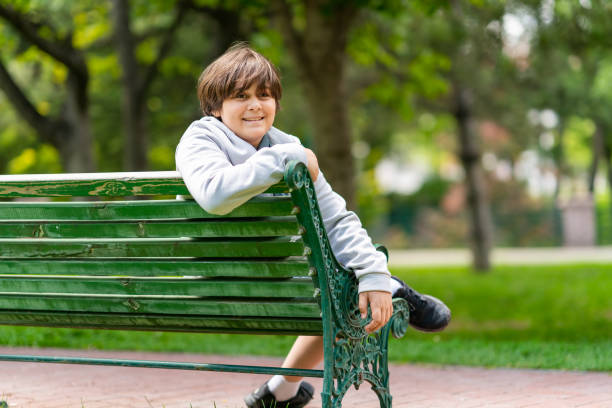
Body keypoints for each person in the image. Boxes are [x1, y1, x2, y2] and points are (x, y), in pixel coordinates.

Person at [175, 43, 450, 408]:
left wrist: (370, 271)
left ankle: (281, 392)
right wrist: (288, 158)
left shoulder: (287, 147)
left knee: (344, 285)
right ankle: (393, 287)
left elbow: (336, 220)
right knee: (342, 295)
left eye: (264, 95)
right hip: (220, 284)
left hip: (270, 287)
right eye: (240, 96)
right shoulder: (203, 139)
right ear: (214, 106)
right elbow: (214, 195)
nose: (255, 104)